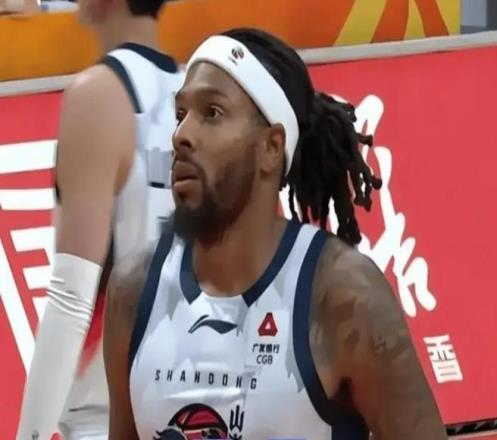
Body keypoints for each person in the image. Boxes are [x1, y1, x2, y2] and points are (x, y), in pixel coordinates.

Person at [103, 28, 448, 440]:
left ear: (271, 147)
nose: (182, 136)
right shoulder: (133, 291)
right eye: (181, 115)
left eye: (212, 113)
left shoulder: (342, 298)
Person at [16, 1, 184, 439]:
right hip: (189, 409)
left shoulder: (99, 95)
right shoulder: (198, 95)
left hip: (108, 416)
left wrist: (30, 435)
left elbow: (72, 296)